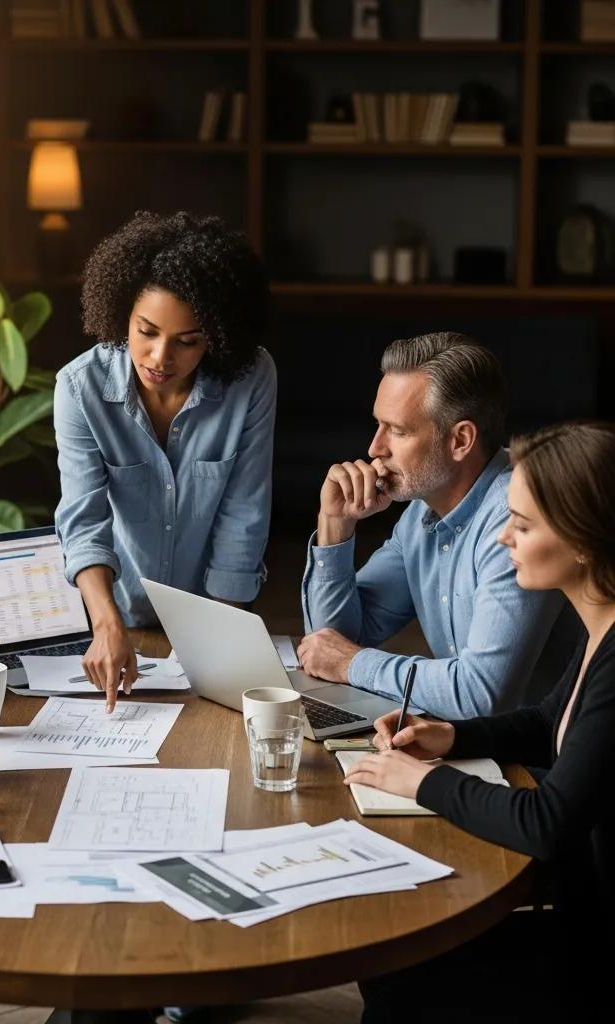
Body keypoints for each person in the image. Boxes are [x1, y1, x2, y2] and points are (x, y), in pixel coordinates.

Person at [343, 420, 615, 1021]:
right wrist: (453, 735)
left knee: (398, 969)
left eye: (521, 525)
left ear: (583, 542)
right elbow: (549, 722)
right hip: (579, 913)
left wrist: (424, 782)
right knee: (393, 961)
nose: (502, 538)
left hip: (595, 954)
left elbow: (546, 824)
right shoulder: (602, 622)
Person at [55, 210, 276, 712]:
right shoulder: (79, 388)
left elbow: (244, 514)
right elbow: (83, 518)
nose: (159, 357)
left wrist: (217, 637)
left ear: (216, 335)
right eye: (146, 331)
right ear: (122, 314)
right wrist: (106, 624)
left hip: (213, 614)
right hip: (114, 613)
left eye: (187, 341)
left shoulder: (251, 380)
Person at [298, 332, 576, 720]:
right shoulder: (421, 511)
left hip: (540, 752)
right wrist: (334, 524)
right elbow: (330, 644)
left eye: (397, 430)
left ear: (460, 440)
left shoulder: (517, 517)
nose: (375, 448)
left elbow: (480, 695)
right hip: (469, 740)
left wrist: (353, 664)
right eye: (378, 425)